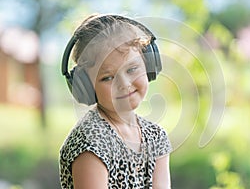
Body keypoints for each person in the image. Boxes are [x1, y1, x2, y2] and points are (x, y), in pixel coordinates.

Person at [59, 13, 172, 189]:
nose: (124, 84)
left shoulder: (156, 136)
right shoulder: (90, 142)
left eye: (132, 69)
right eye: (107, 78)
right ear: (86, 88)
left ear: (149, 65)